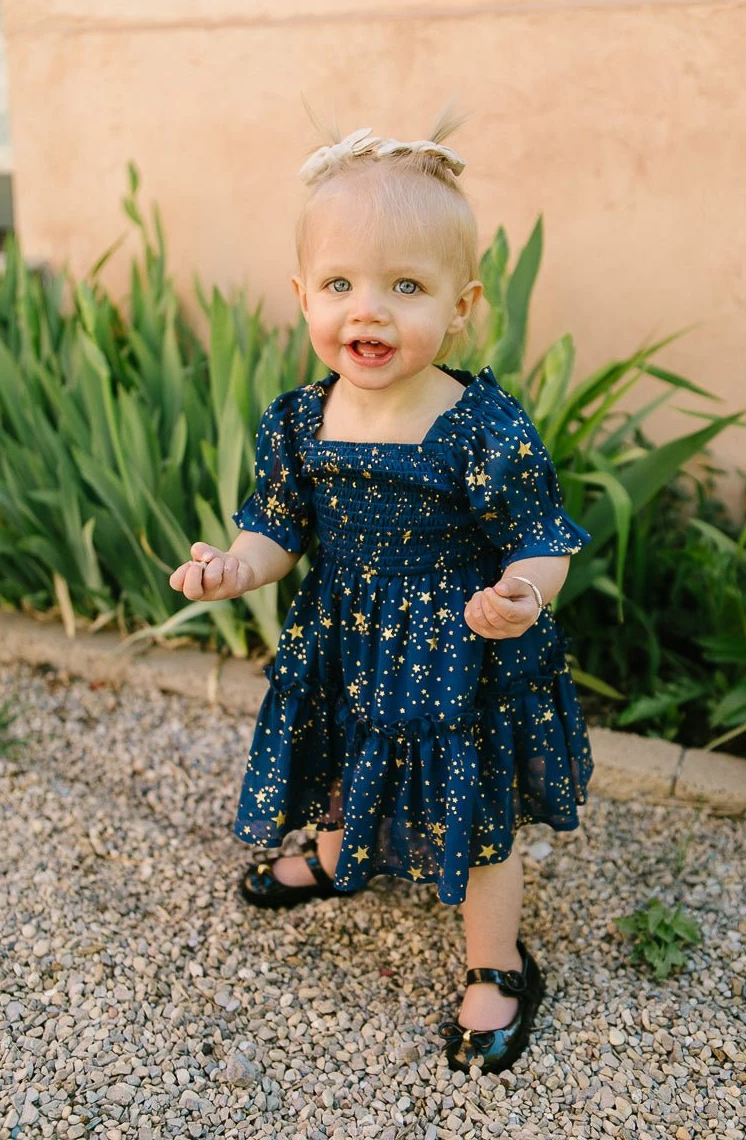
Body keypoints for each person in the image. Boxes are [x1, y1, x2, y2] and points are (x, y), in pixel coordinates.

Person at [169, 119, 593, 1074]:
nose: (368, 311)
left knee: (473, 810)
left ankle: (497, 961)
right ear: (302, 296)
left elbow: (542, 536)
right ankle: (336, 852)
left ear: (460, 306)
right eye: (340, 285)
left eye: (406, 287)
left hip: (457, 651)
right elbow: (278, 529)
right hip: (345, 636)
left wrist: (523, 592)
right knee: (339, 750)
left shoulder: (480, 425)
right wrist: (237, 566)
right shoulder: (300, 420)